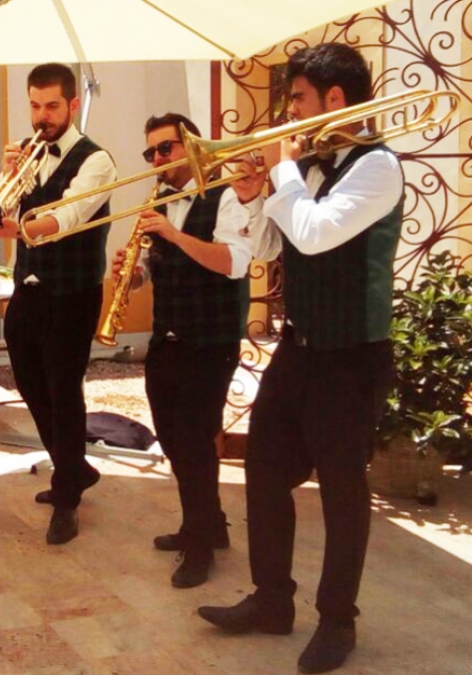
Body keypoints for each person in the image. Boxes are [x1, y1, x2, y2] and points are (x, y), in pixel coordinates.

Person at [198, 43, 402, 675]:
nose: (289, 113)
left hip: (351, 355)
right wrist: (251, 194)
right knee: (262, 471)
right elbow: (269, 246)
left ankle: (337, 620)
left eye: (297, 100)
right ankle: (272, 600)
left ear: (334, 99)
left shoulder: (377, 166)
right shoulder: (308, 167)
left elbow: (314, 235)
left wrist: (282, 171)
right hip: (300, 348)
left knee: (341, 490)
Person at [111, 112, 265, 587]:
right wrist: (131, 274)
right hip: (167, 338)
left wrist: (174, 235)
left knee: (196, 444)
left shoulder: (226, 196)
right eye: (151, 152)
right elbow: (152, 269)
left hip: (210, 341)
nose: (157, 159)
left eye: (166, 148)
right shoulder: (159, 199)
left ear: (192, 147)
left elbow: (234, 263)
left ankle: (200, 548)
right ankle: (208, 524)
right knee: (173, 439)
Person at [0, 63, 117, 545]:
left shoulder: (97, 160)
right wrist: (7, 176)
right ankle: (74, 468)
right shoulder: (29, 153)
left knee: (64, 390)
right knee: (31, 385)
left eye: (52, 106)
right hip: (29, 288)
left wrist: (17, 230)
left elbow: (69, 216)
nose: (42, 116)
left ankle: (67, 498)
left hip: (72, 292)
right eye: (35, 106)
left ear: (73, 105)